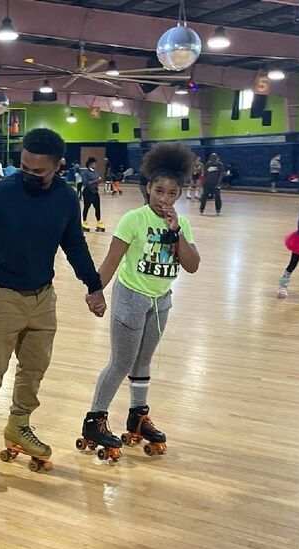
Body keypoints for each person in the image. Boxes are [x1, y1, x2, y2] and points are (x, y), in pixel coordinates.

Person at [0, 128, 106, 484]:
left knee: (34, 368)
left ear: (59, 166)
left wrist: (93, 285)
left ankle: (18, 425)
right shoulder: (1, 193)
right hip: (0, 295)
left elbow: (74, 244)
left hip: (42, 297)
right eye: (23, 166)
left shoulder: (65, 199)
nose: (28, 174)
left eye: (38, 170)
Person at [77, 143, 200, 461]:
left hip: (161, 301)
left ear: (179, 195)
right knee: (121, 362)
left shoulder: (181, 224)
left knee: (143, 363)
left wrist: (177, 234)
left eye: (172, 193)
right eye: (159, 191)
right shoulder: (134, 219)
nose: (165, 199)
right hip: (131, 298)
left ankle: (137, 417)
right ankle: (95, 419)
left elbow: (192, 264)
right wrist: (95, 290)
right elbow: (111, 261)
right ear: (149, 188)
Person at [81, 157, 104, 232]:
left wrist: (99, 181)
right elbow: (86, 183)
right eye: (93, 164)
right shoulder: (85, 173)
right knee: (86, 207)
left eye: (95, 163)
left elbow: (97, 180)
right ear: (89, 164)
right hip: (88, 192)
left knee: (97, 208)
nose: (95, 165)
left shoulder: (95, 172)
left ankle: (99, 223)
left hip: (95, 192)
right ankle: (84, 223)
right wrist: (96, 181)